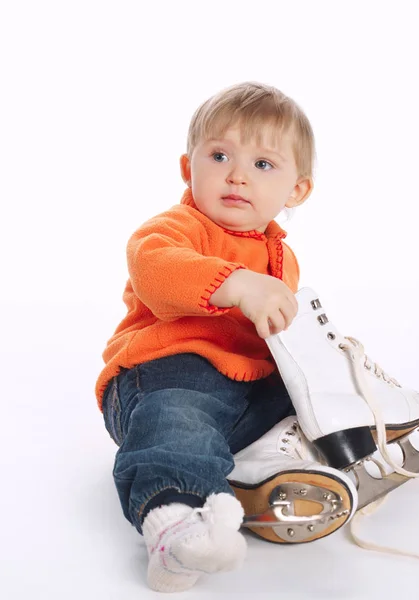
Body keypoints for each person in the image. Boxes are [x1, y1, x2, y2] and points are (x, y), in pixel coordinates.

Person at [97, 81, 316, 593]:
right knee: (181, 418)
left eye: (263, 164)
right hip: (162, 376)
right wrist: (235, 283)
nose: (237, 174)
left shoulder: (282, 257)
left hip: (245, 390)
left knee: (298, 398)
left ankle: (292, 460)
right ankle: (175, 523)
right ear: (187, 168)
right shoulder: (177, 228)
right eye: (219, 156)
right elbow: (156, 269)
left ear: (297, 190)